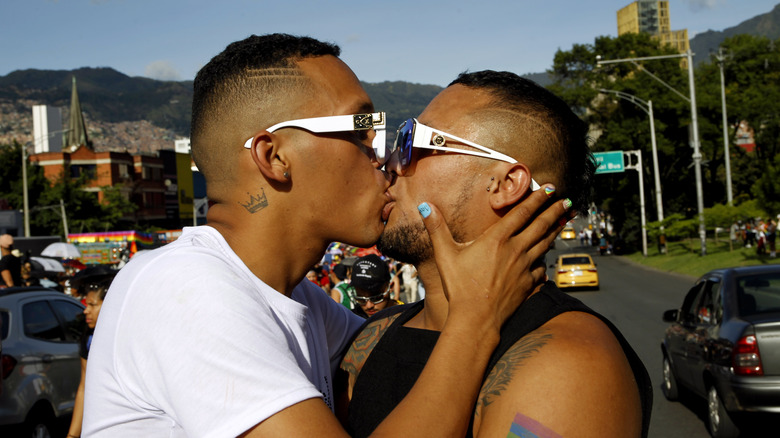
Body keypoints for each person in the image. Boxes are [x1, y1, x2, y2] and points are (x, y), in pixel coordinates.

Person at [82, 34, 571, 437]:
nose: (382, 156)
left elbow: (397, 355)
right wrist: (475, 319)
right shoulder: (185, 288)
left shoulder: (299, 303)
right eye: (360, 130)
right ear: (274, 157)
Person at [340, 71, 652, 438]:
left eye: (411, 140)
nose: (390, 162)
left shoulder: (571, 365)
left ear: (505, 184)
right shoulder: (370, 337)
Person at [67, 275, 115, 438]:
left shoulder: (126, 337)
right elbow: (84, 386)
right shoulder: (88, 338)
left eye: (93, 305)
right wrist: (72, 435)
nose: (86, 310)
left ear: (110, 305)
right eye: (87, 304)